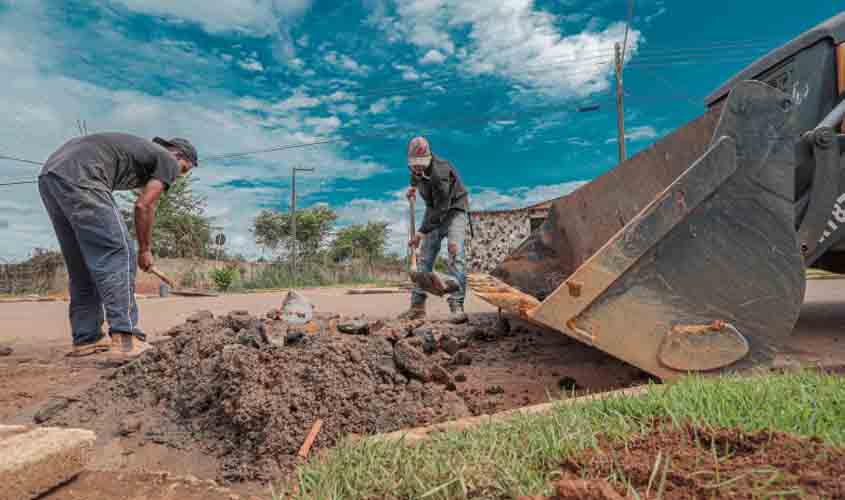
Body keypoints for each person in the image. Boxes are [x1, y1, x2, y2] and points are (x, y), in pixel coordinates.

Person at [38, 133, 198, 359]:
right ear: (177, 155)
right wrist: (144, 250)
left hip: (50, 176)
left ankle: (87, 337)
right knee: (119, 253)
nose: (178, 176)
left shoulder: (141, 153)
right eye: (184, 170)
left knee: (83, 264)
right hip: (83, 175)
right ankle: (125, 337)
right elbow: (144, 206)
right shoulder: (168, 159)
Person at [400, 136, 470, 324]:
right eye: (415, 165)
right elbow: (415, 178)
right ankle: (417, 307)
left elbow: (442, 208)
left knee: (456, 255)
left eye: (421, 165)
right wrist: (413, 189)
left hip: (454, 209)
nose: (418, 169)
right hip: (434, 210)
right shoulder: (416, 169)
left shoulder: (440, 172)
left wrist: (421, 232)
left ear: (429, 157)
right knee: (424, 259)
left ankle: (456, 306)